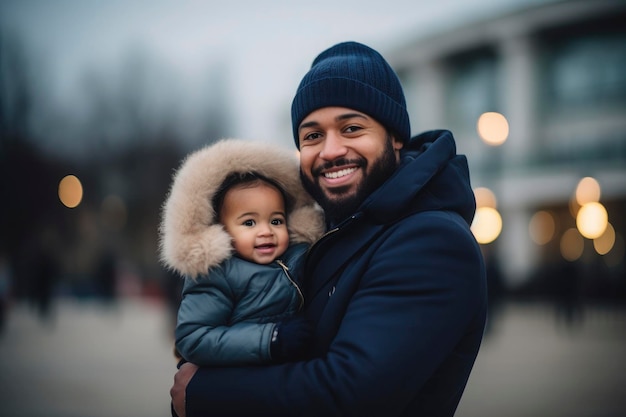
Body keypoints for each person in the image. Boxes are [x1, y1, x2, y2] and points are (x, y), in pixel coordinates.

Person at [170, 41, 487, 417]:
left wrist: (203, 393)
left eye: (351, 128)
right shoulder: (335, 231)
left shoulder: (430, 241)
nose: (330, 150)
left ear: (395, 137)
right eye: (312, 135)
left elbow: (351, 394)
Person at [160, 139, 325, 365]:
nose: (266, 231)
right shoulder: (218, 274)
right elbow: (193, 338)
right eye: (249, 223)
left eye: (276, 220)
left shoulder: (296, 258)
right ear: (221, 230)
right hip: (243, 376)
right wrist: (270, 339)